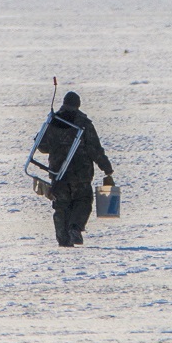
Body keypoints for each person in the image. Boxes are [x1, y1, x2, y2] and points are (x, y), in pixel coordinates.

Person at [37, 91, 114, 247]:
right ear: (78, 105)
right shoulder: (84, 123)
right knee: (83, 201)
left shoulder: (52, 121)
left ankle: (63, 239)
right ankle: (75, 228)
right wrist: (107, 169)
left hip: (58, 174)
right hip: (81, 173)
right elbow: (95, 149)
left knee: (61, 205)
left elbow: (42, 146)